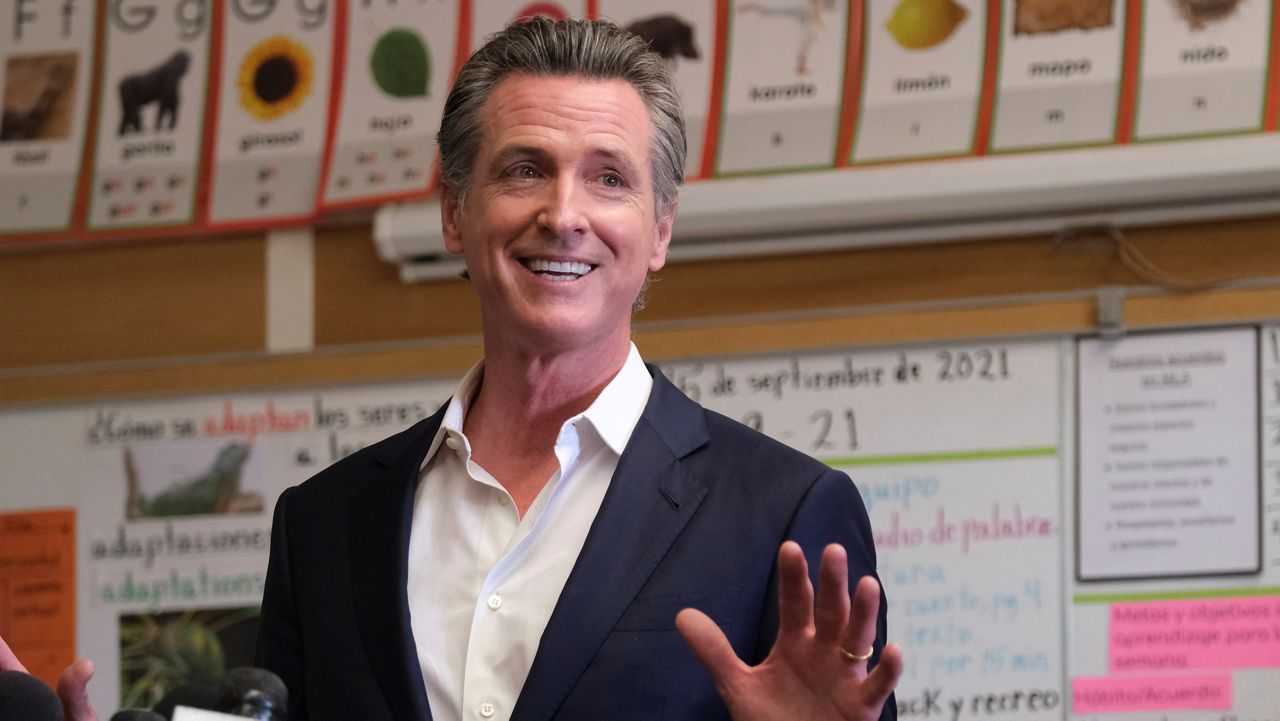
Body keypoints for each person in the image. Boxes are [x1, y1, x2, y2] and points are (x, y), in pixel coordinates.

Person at [0, 18, 901, 721]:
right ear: (453, 213)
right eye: (523, 170)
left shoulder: (783, 515)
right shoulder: (324, 525)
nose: (563, 213)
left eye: (609, 179)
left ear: (659, 230)